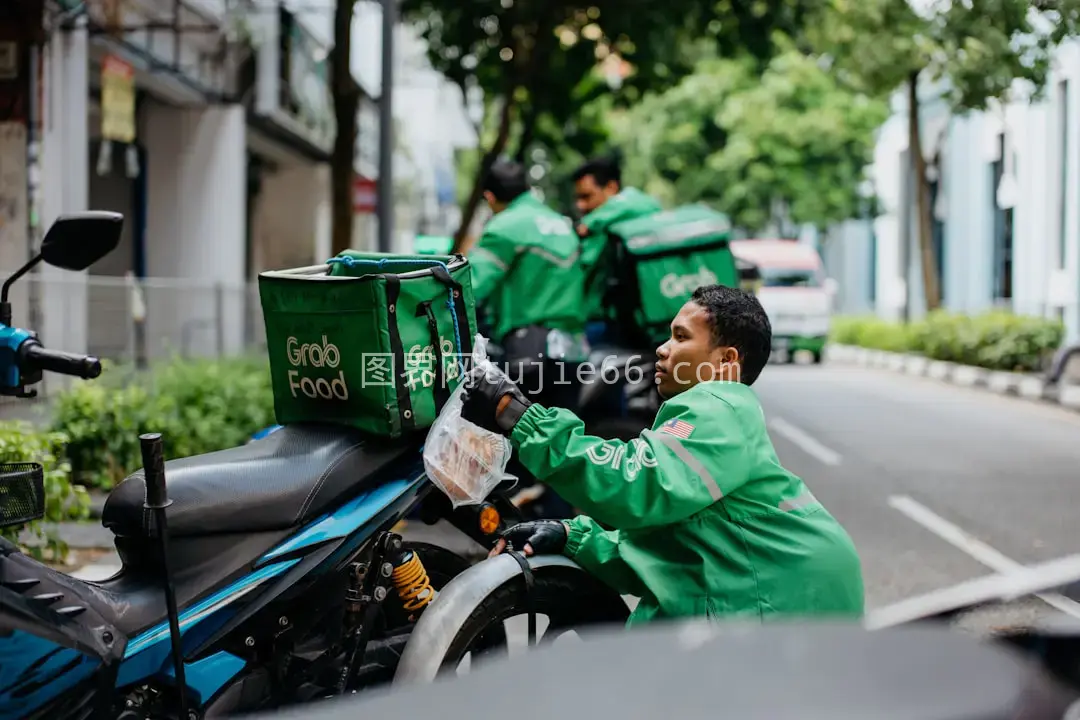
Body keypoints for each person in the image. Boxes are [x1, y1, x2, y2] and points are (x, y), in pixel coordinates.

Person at [460, 284, 865, 625]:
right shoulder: (721, 415)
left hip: (779, 596)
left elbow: (634, 485)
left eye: (682, 337)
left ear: (725, 362)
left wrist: (518, 415)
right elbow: (673, 552)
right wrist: (572, 537)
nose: (662, 349)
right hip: (792, 587)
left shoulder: (718, 404)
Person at [468, 159, 588, 518]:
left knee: (510, 439)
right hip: (573, 350)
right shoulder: (560, 224)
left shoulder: (505, 226)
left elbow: (470, 286)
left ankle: (516, 534)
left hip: (528, 348)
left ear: (490, 197)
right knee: (559, 440)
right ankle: (559, 530)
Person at [571, 156, 662, 344]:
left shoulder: (626, 211)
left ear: (611, 188)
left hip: (608, 325)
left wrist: (591, 223)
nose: (581, 205)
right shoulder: (605, 226)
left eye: (587, 196)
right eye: (578, 198)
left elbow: (646, 203)